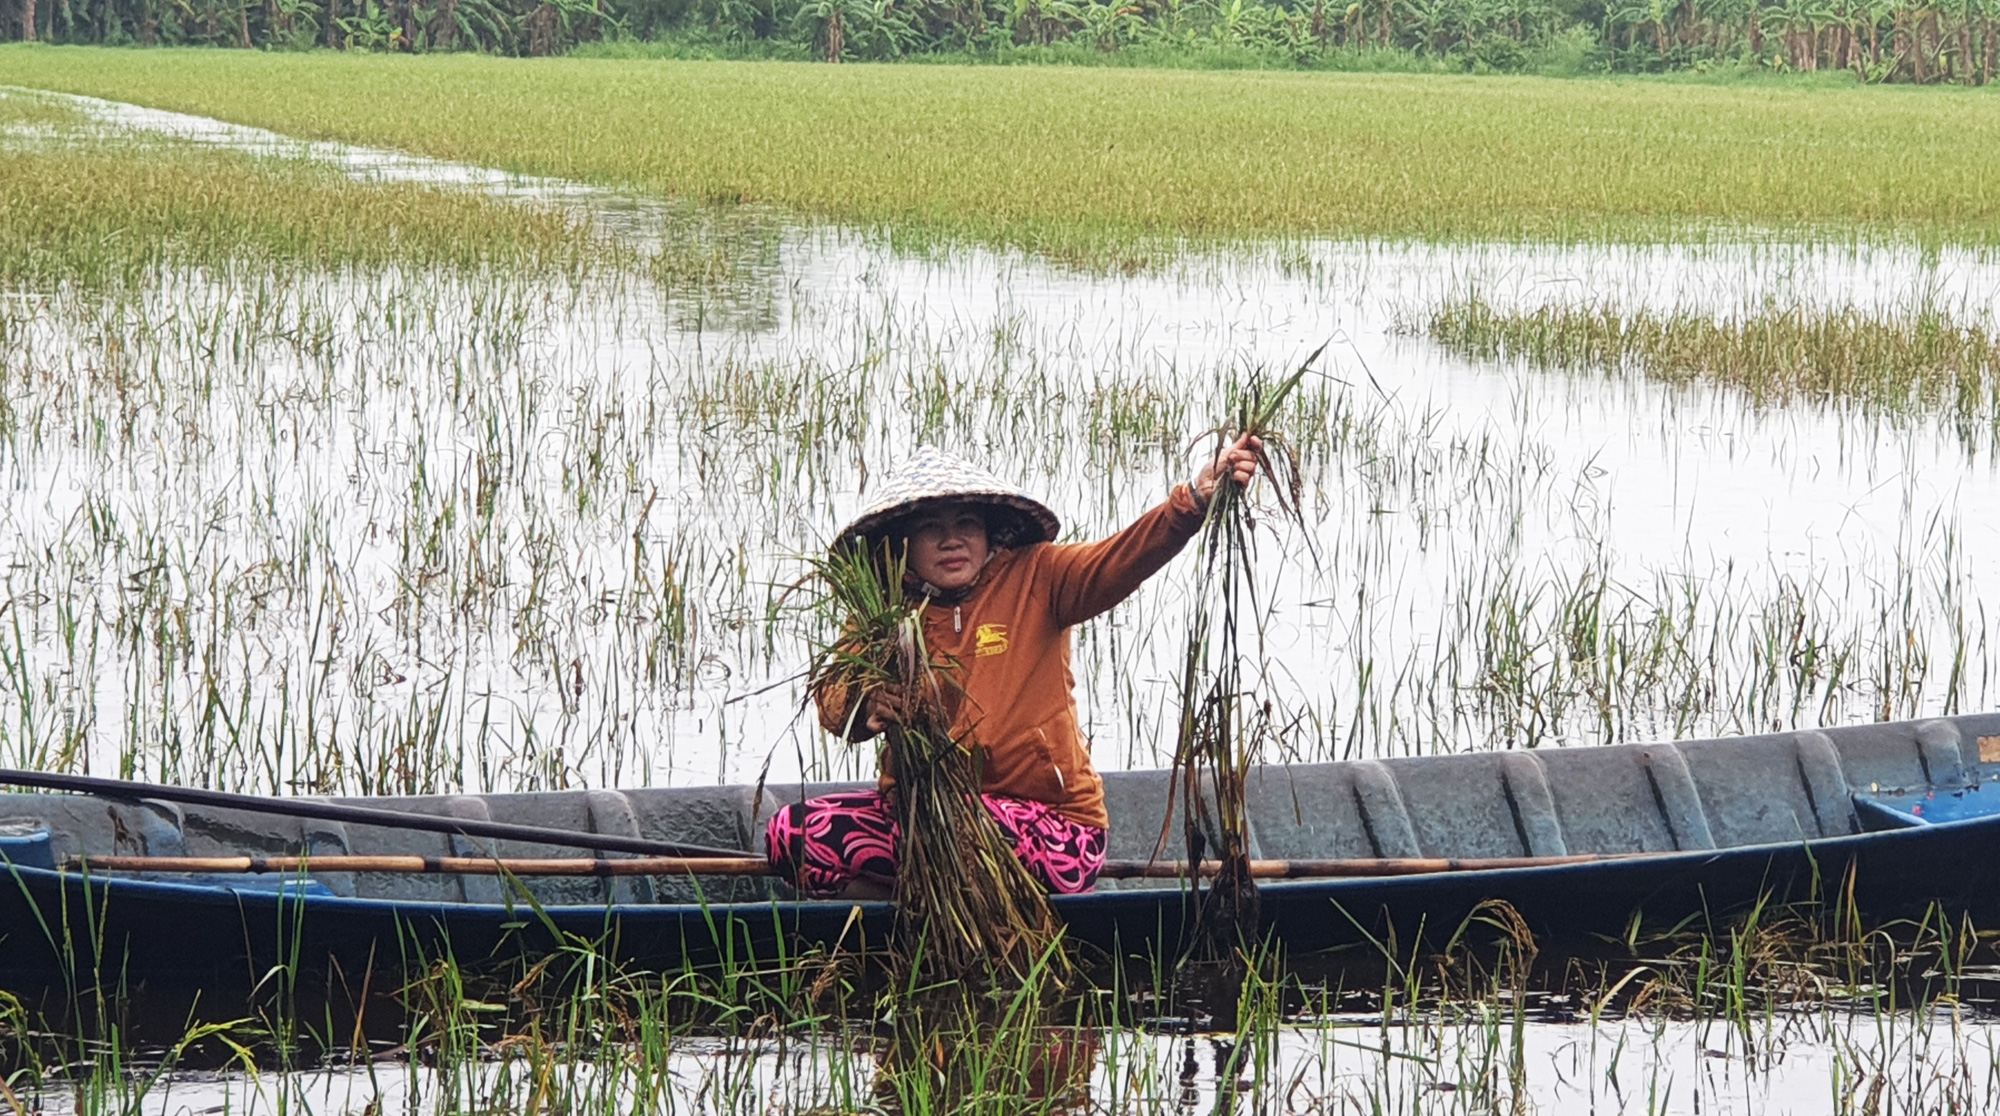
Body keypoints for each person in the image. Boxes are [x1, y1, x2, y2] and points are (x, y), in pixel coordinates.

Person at [765, 439, 1260, 899]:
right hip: (924, 817)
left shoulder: (1040, 576)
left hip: (1054, 826)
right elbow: (833, 696)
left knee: (961, 832)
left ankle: (933, 894)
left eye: (966, 525)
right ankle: (912, 903)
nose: (951, 541)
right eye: (932, 528)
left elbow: (1118, 560)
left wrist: (1191, 502)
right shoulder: (886, 607)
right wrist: (865, 702)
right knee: (792, 833)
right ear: (904, 543)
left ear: (989, 533)